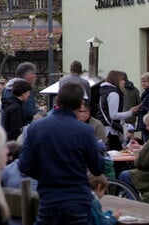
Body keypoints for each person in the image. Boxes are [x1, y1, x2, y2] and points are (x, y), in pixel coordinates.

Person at [18, 82, 106, 225]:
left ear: (57, 100)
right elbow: (97, 168)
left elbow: (25, 166)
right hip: (77, 200)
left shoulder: (37, 128)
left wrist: (45, 175)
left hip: (49, 199)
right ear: (80, 104)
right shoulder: (85, 131)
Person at [96, 70, 139, 151]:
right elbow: (113, 115)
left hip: (105, 128)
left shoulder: (105, 91)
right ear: (116, 80)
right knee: (116, 155)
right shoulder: (114, 94)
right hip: (110, 131)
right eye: (122, 80)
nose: (124, 82)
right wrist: (130, 112)